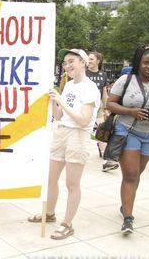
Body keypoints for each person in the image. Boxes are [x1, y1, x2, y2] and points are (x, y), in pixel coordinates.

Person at [28, 49, 100, 240]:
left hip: (79, 136)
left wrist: (61, 101)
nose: (67, 66)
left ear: (83, 62)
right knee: (51, 178)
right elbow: (59, 116)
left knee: (72, 184)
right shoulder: (68, 86)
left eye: (71, 62)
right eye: (65, 63)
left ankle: (67, 224)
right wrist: (53, 102)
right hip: (62, 132)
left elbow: (84, 120)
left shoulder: (90, 87)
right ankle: (49, 213)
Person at [106, 44, 149, 235]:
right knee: (131, 175)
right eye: (145, 62)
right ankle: (128, 218)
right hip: (128, 131)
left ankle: (126, 204)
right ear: (138, 62)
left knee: (137, 174)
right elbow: (109, 103)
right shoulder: (126, 80)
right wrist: (131, 111)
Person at [86, 51, 117, 170]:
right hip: (84, 106)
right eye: (88, 59)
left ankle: (105, 160)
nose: (89, 61)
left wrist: (106, 108)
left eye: (92, 59)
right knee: (84, 131)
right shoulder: (84, 73)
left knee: (103, 130)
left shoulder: (103, 75)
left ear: (98, 61)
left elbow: (104, 93)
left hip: (97, 107)